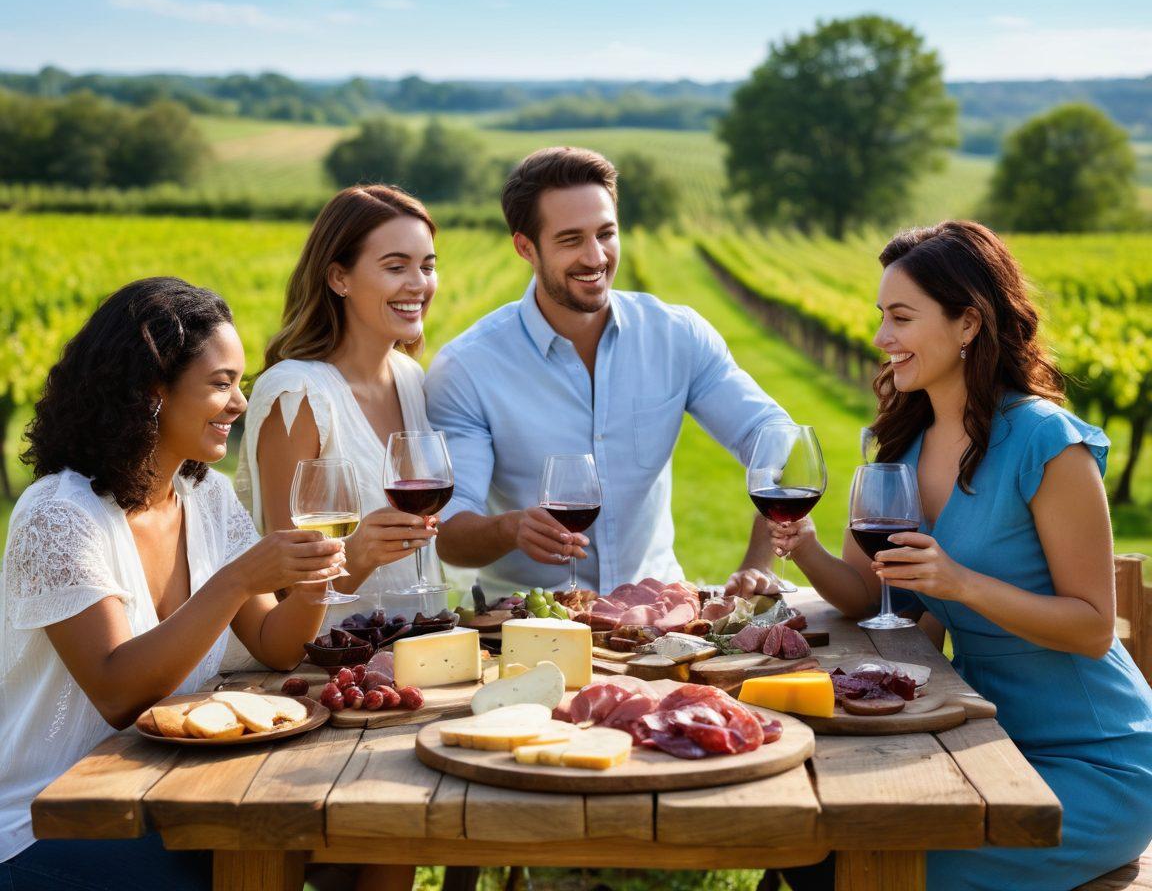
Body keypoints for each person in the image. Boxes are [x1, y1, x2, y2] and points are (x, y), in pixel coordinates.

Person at [768, 220, 1152, 891]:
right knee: (810, 842)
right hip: (986, 745)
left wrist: (962, 583)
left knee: (861, 864)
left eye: (901, 317)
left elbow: (1093, 629)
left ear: (968, 322)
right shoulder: (908, 446)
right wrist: (803, 548)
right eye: (880, 316)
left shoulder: (1045, 441)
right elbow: (864, 595)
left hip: (1098, 763)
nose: (882, 337)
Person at [0, 278, 344, 889]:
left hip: (168, 788)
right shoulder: (57, 514)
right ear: (152, 392)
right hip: (54, 818)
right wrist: (237, 579)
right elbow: (117, 694)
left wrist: (313, 579)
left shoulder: (203, 496)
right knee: (268, 860)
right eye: (221, 383)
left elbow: (275, 643)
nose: (239, 403)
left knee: (349, 847)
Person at [425, 147, 789, 597]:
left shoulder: (677, 336)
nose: (596, 257)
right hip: (523, 625)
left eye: (606, 233)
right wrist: (509, 529)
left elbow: (775, 438)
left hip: (658, 618)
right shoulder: (468, 368)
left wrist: (758, 562)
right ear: (525, 247)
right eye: (570, 239)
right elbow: (448, 531)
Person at [234, 184, 442, 628]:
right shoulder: (297, 394)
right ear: (338, 278)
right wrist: (359, 556)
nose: (419, 284)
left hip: (415, 650)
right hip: (327, 669)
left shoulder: (411, 379)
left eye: (427, 266)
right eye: (395, 266)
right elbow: (286, 587)